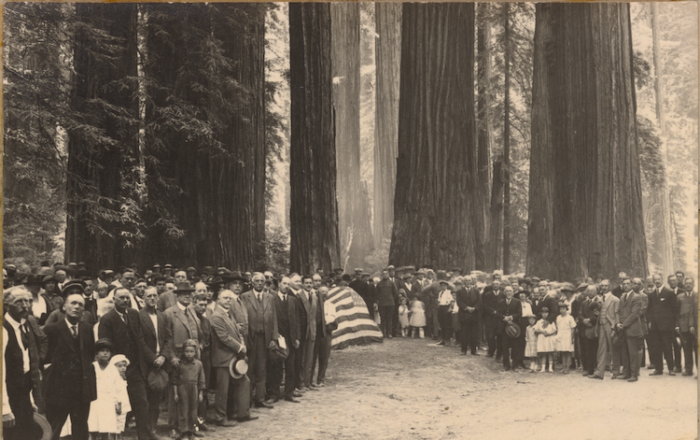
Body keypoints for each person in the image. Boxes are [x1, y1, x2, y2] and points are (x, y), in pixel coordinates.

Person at [98, 287, 157, 440]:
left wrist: (150, 359)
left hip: (135, 368)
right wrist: (116, 368)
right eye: (121, 298)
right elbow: (105, 347)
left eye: (127, 298)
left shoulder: (133, 314)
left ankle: (145, 435)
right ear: (114, 300)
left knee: (142, 403)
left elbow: (140, 339)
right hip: (116, 370)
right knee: (117, 405)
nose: (125, 300)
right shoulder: (107, 319)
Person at [43, 292, 97, 440]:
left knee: (80, 427)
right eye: (73, 303)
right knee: (54, 427)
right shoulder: (51, 329)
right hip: (58, 389)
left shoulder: (87, 329)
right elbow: (44, 359)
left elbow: (90, 355)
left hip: (81, 389)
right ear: (64, 306)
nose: (76, 307)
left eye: (80, 304)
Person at [3, 287, 48, 440]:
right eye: (19, 302)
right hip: (8, 397)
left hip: (23, 394)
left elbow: (26, 366)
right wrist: (4, 409)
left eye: (27, 301)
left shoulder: (26, 325)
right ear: (7, 305)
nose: (25, 305)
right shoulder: (4, 329)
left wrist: (29, 399)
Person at [210, 290, 256, 425]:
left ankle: (242, 413)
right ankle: (221, 418)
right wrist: (240, 347)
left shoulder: (228, 314)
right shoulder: (217, 316)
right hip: (223, 358)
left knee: (243, 382)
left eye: (230, 298)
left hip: (233, 357)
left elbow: (235, 332)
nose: (228, 300)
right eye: (225, 298)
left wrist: (241, 342)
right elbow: (224, 337)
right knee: (222, 390)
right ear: (218, 299)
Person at [240, 272, 279, 408]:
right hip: (250, 337)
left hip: (265, 338)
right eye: (257, 281)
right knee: (249, 369)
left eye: (262, 281)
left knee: (262, 369)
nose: (260, 283)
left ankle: (260, 399)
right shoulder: (245, 297)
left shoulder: (270, 297)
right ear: (252, 282)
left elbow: (274, 318)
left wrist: (274, 337)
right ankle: (247, 399)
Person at [138, 286, 172, 435]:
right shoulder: (139, 316)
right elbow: (139, 341)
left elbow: (169, 338)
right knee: (144, 397)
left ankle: (153, 427)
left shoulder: (162, 316)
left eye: (154, 296)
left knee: (156, 397)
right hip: (145, 362)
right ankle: (144, 429)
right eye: (149, 296)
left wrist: (163, 356)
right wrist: (153, 358)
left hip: (161, 361)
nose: (152, 298)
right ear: (144, 299)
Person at [88, 339, 130, 440]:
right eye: (102, 350)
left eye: (108, 351)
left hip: (108, 402)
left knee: (106, 429)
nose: (105, 353)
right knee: (92, 428)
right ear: (96, 353)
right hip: (93, 402)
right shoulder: (92, 367)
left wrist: (118, 403)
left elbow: (118, 388)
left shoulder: (113, 369)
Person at [268, 278, 301, 403]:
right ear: (279, 284)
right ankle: (274, 395)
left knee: (291, 367)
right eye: (284, 283)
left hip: (290, 339)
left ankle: (289, 393)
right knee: (275, 368)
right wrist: (273, 338)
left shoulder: (293, 300)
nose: (286, 286)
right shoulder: (272, 299)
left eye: (288, 284)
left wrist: (297, 338)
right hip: (277, 338)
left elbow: (297, 320)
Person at [172, 340, 205, 440]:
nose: (189, 354)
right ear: (183, 352)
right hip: (182, 389)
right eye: (187, 351)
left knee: (193, 411)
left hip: (194, 389)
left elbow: (201, 380)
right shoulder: (179, 364)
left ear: (195, 352)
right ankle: (184, 432)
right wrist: (175, 393)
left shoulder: (198, 364)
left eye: (191, 351)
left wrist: (200, 393)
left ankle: (191, 432)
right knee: (183, 411)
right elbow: (175, 380)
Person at [647, 274, 678, 376]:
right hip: (655, 327)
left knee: (667, 348)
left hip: (666, 327)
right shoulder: (652, 294)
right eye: (655, 280)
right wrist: (650, 322)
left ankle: (671, 369)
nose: (657, 281)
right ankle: (658, 369)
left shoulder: (669, 293)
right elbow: (650, 310)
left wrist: (672, 325)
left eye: (659, 279)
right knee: (656, 348)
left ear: (662, 279)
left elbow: (674, 310)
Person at [589, 281, 620, 380]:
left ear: (610, 286)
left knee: (613, 349)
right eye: (602, 286)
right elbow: (598, 312)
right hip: (601, 325)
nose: (604, 287)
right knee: (601, 349)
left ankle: (615, 371)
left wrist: (615, 327)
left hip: (610, 325)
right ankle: (599, 372)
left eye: (606, 286)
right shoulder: (598, 299)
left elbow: (617, 314)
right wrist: (597, 314)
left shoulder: (615, 299)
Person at [616, 278, 644, 382]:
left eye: (628, 284)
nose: (626, 285)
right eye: (624, 284)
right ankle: (626, 373)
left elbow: (634, 314)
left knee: (633, 353)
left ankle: (634, 375)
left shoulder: (637, 297)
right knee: (624, 352)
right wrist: (618, 323)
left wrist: (623, 324)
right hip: (622, 329)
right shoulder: (622, 296)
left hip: (632, 329)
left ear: (632, 285)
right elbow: (618, 311)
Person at [497, 286, 522, 371]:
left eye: (510, 291)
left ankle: (514, 365)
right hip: (504, 328)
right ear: (504, 293)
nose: (508, 293)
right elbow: (498, 314)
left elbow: (519, 314)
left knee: (515, 347)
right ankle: (506, 365)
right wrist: (504, 318)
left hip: (514, 328)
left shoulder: (517, 302)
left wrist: (511, 317)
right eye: (507, 291)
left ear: (513, 292)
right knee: (505, 347)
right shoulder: (500, 302)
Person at [677, 277, 697, 376]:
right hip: (684, 326)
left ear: (693, 284)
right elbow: (676, 313)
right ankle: (688, 369)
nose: (688, 285)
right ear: (684, 285)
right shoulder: (680, 297)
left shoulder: (697, 296)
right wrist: (677, 325)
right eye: (687, 283)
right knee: (687, 348)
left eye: (690, 283)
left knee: (697, 350)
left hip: (696, 328)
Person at [456, 277, 482, 356]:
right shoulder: (460, 291)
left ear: (472, 282)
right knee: (464, 333)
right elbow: (459, 302)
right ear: (463, 282)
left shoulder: (476, 290)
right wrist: (466, 307)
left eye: (469, 280)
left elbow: (480, 301)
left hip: (474, 314)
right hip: (464, 314)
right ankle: (464, 350)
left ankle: (474, 350)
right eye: (466, 280)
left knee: (474, 333)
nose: (468, 282)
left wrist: (474, 308)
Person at [482, 279, 503, 359]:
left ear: (499, 285)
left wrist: (499, 312)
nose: (495, 286)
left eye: (497, 284)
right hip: (490, 318)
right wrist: (493, 312)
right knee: (490, 336)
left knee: (500, 336)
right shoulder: (487, 294)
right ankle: (491, 351)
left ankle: (499, 353)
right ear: (492, 285)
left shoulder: (503, 294)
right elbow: (485, 305)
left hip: (499, 318)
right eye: (494, 284)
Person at [376, 269, 398, 339]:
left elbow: (395, 293)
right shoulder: (379, 284)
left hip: (390, 304)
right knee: (382, 319)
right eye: (383, 274)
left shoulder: (392, 283)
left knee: (389, 319)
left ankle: (389, 333)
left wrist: (391, 299)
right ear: (382, 275)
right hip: (382, 304)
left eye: (386, 274)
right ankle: (383, 333)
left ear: (388, 275)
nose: (385, 275)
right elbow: (376, 294)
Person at [555, 302, 576, 374]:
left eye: (563, 309)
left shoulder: (570, 317)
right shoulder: (558, 317)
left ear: (566, 309)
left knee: (568, 352)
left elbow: (573, 328)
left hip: (568, 335)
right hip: (560, 335)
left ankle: (567, 367)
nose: (562, 310)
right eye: (561, 309)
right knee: (563, 352)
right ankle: (563, 367)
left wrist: (572, 338)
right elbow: (558, 328)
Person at [534, 307, 557, 373]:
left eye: (546, 313)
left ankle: (550, 368)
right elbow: (535, 330)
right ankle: (543, 368)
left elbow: (555, 330)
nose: (544, 314)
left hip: (549, 338)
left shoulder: (551, 321)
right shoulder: (539, 321)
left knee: (550, 353)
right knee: (543, 353)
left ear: (548, 313)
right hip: (542, 339)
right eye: (543, 313)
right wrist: (541, 331)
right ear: (541, 313)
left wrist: (549, 333)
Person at [436, 280, 455, 346]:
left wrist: (449, 309)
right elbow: (439, 301)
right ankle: (443, 339)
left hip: (446, 308)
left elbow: (452, 301)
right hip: (441, 308)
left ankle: (447, 339)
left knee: (447, 325)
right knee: (442, 324)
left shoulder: (449, 292)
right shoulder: (440, 292)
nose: (443, 286)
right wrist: (439, 307)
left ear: (447, 286)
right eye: (442, 285)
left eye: (444, 285)